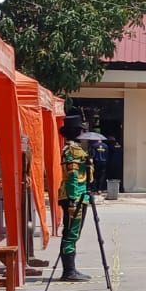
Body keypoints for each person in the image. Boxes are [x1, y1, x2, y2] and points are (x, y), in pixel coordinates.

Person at [57, 116, 94, 281]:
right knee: (71, 232)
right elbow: (72, 176)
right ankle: (68, 271)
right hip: (75, 196)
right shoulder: (73, 150)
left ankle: (70, 269)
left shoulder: (73, 149)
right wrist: (72, 199)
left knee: (72, 232)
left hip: (79, 195)